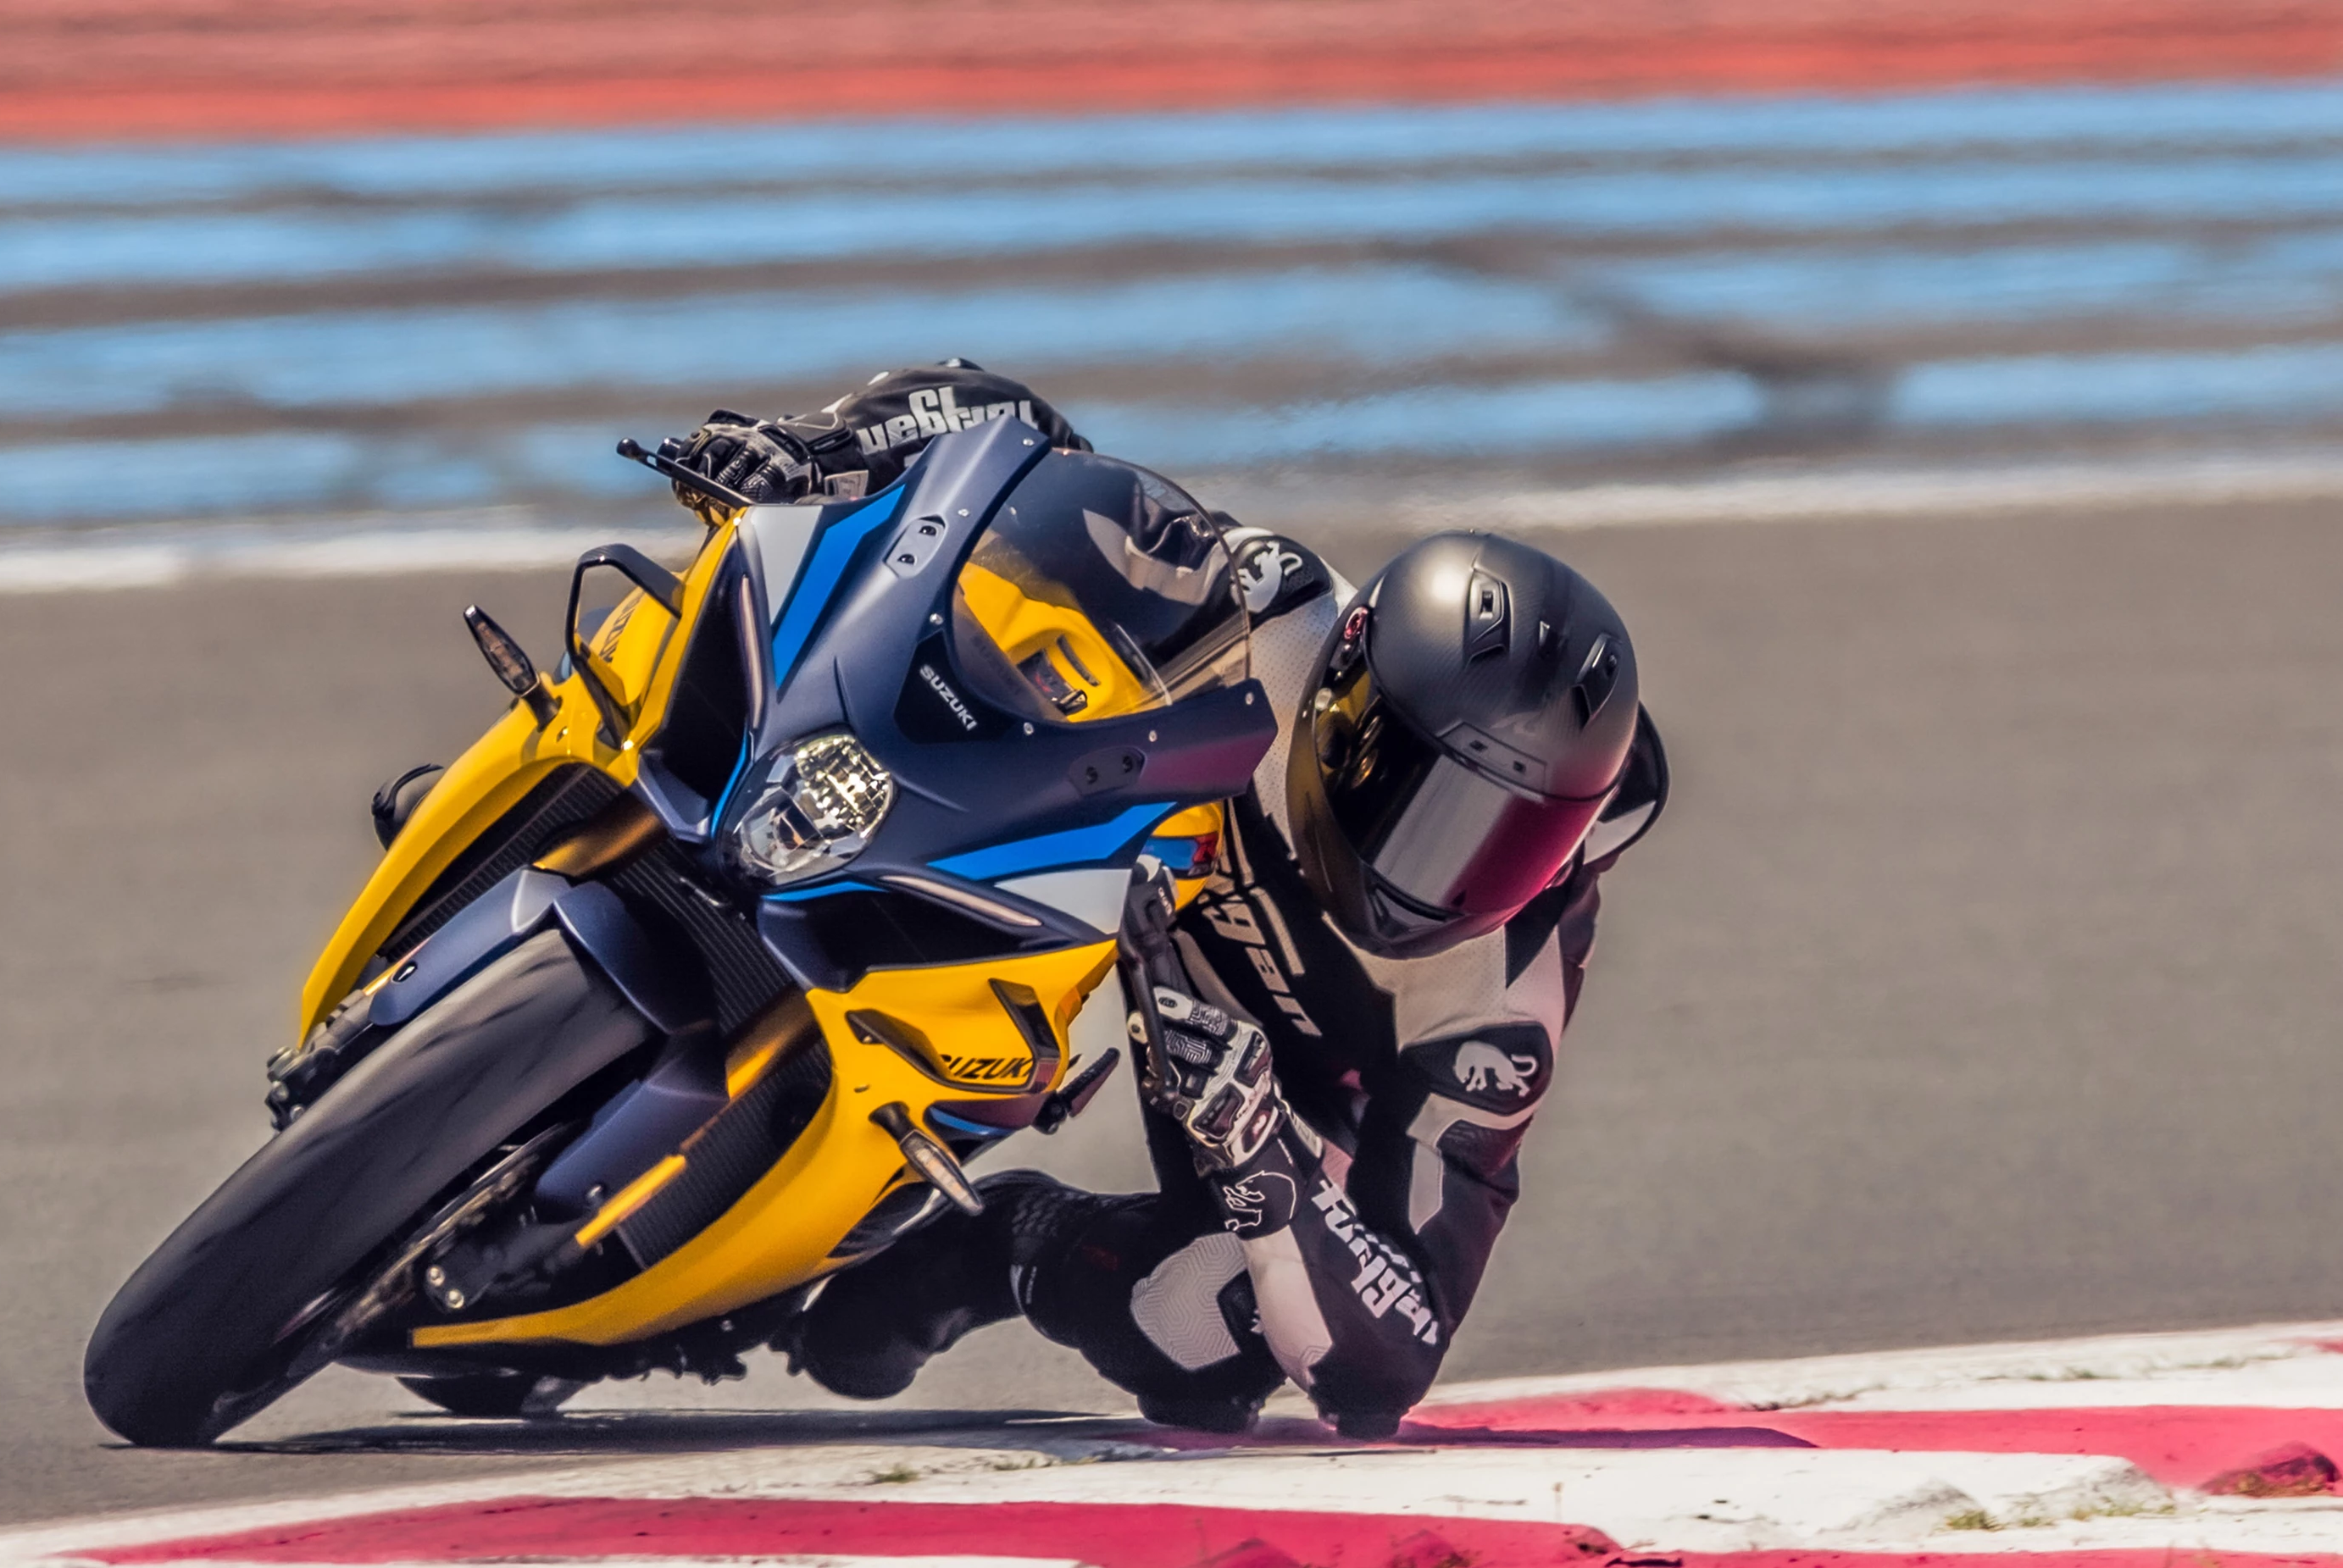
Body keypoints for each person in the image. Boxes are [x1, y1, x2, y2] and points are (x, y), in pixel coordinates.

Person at [653, 362, 1669, 1440]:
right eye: (1417, 800)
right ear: (1343, 687)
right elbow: (1027, 444)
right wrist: (827, 447)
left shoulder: (1498, 1011)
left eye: (1513, 841)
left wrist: (1259, 1151)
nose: (1445, 875)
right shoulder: (1268, 616)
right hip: (1112, 874)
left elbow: (1392, 1356)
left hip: (1256, 1064)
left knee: (1204, 1340)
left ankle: (998, 1240)